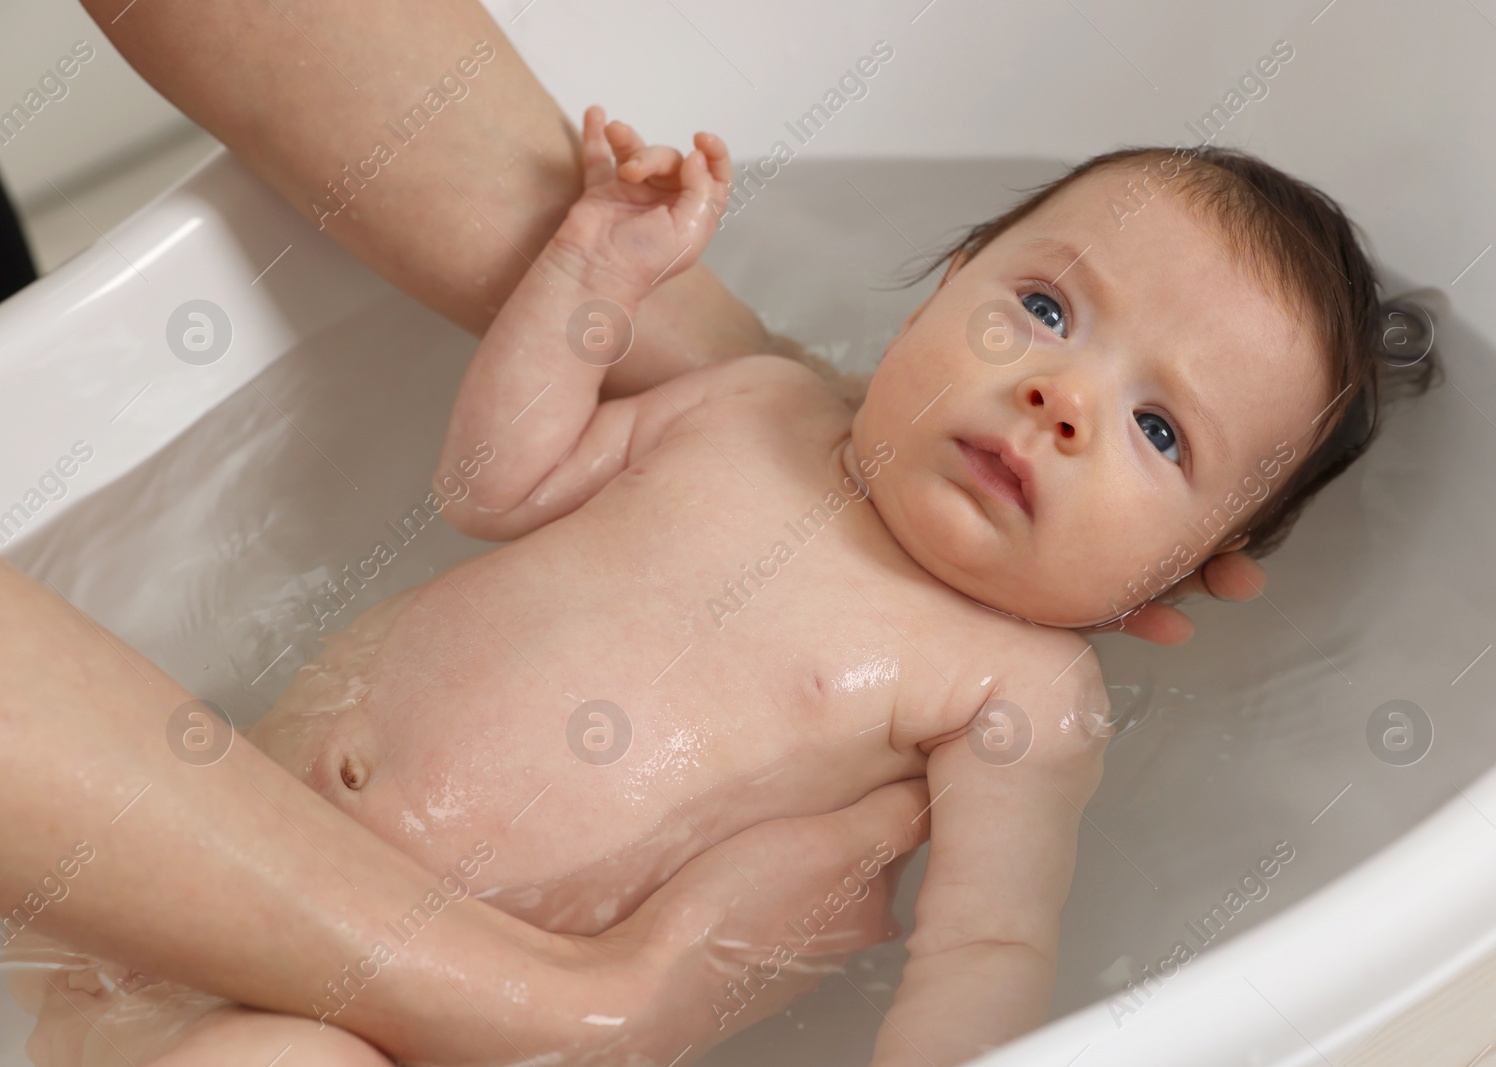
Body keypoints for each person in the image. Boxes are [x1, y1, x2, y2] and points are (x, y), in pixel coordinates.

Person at [0, 1, 1270, 1063]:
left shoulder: (1022, 686)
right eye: (1044, 307)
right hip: (187, 880)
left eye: (1160, 432)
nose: (1064, 398)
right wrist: (586, 284)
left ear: (1181, 581)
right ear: (942, 288)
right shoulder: (752, 407)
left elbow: (985, 940)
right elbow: (494, 487)